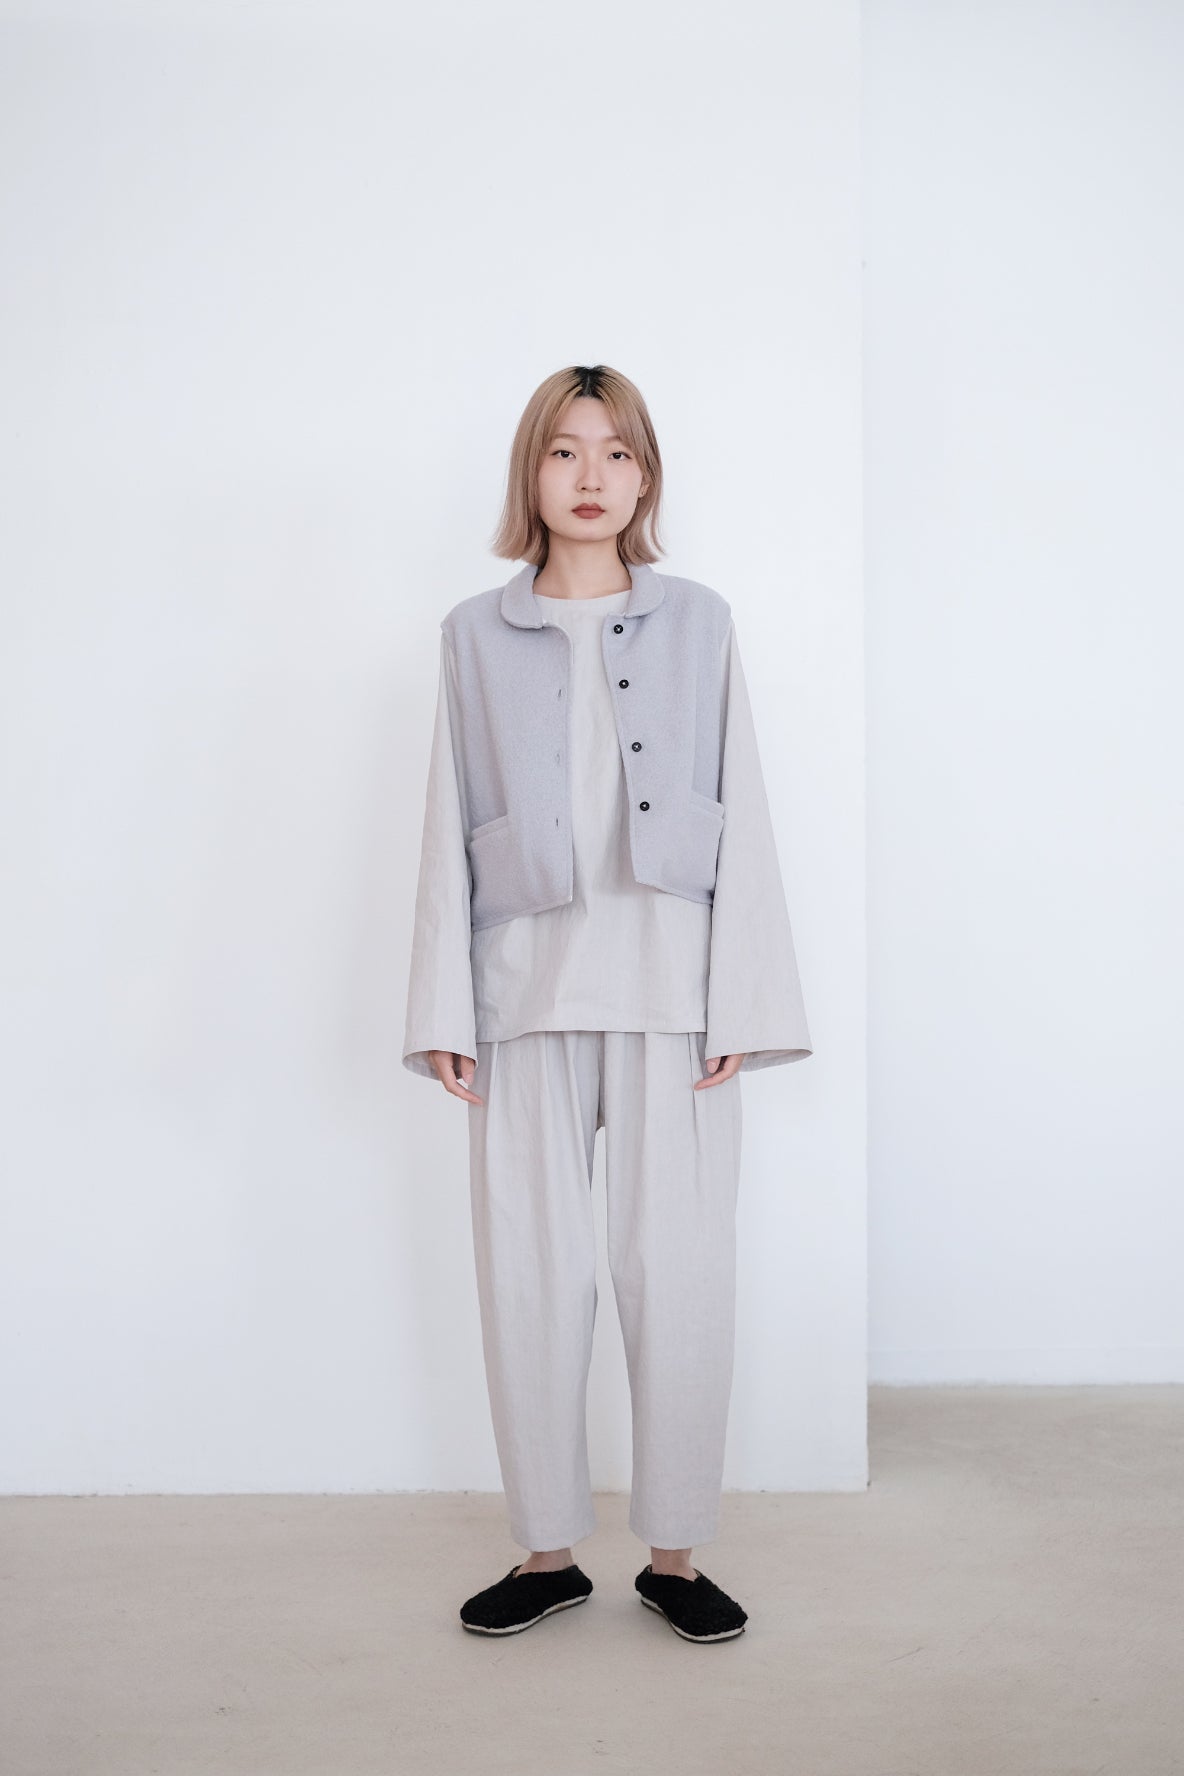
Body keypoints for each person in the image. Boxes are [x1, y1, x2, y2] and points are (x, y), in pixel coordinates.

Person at [403, 364, 812, 1643]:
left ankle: (674, 1558)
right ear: (529, 473)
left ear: (645, 477)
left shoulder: (699, 622)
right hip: (519, 993)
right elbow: (445, 817)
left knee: (675, 1275)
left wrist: (743, 999)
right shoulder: (472, 633)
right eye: (565, 451)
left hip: (673, 994)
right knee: (529, 1275)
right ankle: (544, 1555)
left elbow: (741, 803)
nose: (591, 476)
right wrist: (441, 1009)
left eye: (617, 452)